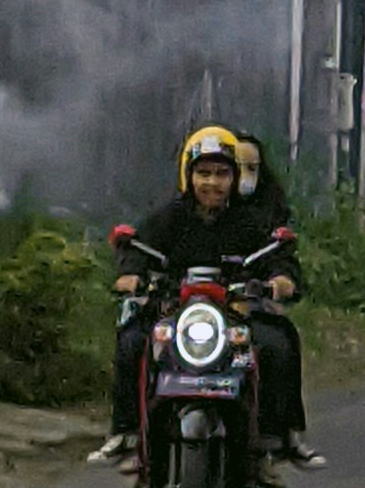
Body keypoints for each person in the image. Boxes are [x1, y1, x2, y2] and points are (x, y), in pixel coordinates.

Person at [108, 124, 313, 470]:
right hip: (174, 312)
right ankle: (127, 434)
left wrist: (280, 281)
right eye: (203, 173)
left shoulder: (251, 222)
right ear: (188, 176)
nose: (212, 183)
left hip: (236, 313)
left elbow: (279, 260)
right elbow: (138, 252)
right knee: (131, 340)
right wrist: (132, 277)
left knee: (279, 342)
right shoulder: (168, 218)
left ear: (235, 178)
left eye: (221, 174)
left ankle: (280, 436)